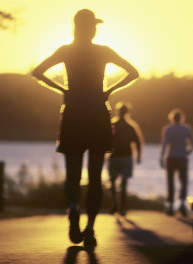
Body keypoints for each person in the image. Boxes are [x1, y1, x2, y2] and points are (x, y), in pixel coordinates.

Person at [32, 9, 139, 249]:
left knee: (73, 172)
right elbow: (134, 72)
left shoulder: (65, 51)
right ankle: (90, 228)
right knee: (94, 175)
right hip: (97, 114)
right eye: (94, 26)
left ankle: (73, 212)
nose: (95, 29)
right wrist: (109, 91)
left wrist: (63, 90)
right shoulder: (103, 51)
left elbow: (37, 72)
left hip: (73, 113)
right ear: (89, 28)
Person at [108, 101, 143, 216]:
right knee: (124, 183)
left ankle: (114, 204)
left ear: (118, 112)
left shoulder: (113, 125)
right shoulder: (130, 126)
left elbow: (106, 140)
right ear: (127, 112)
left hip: (114, 156)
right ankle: (121, 207)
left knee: (113, 182)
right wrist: (138, 156)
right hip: (126, 157)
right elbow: (137, 142)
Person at [160, 108, 193, 216]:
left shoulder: (168, 129)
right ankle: (182, 204)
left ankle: (170, 206)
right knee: (183, 182)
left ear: (171, 118)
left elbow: (165, 144)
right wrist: (188, 151)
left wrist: (161, 157)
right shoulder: (186, 128)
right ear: (181, 118)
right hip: (182, 158)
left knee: (170, 182)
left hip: (171, 158)